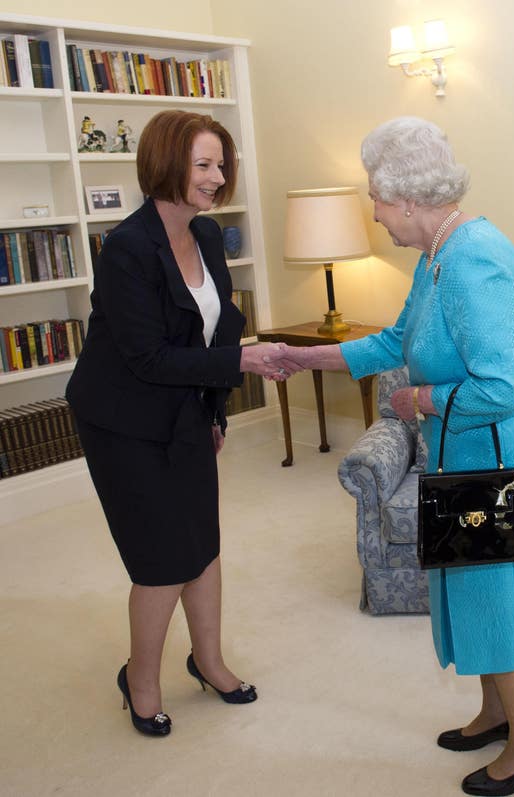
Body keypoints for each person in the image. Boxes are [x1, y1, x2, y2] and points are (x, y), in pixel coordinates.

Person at [274, 117, 514, 796]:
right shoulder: (439, 253)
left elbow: (502, 383)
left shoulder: (474, 259)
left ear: (408, 199)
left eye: (377, 201)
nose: (376, 214)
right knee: (475, 591)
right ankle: (498, 713)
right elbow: (394, 339)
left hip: (496, 456)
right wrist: (307, 356)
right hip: (469, 453)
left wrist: (424, 399)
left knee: (497, 598)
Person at [66, 110, 298, 736]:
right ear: (167, 163)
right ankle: (140, 681)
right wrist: (241, 361)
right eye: (203, 164)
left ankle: (209, 661)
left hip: (184, 409)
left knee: (203, 543)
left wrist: (215, 409)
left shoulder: (207, 233)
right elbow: (147, 357)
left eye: (221, 164)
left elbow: (215, 328)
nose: (217, 176)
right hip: (123, 420)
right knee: (162, 558)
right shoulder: (126, 248)